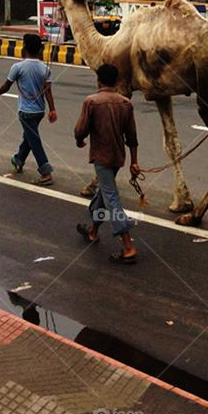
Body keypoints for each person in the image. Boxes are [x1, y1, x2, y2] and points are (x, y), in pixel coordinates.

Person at [74, 63, 140, 264]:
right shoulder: (126, 103)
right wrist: (134, 162)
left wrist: (79, 141)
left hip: (101, 158)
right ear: (116, 81)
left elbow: (80, 130)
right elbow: (132, 137)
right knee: (103, 193)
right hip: (118, 158)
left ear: (99, 81)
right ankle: (92, 230)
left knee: (111, 197)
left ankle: (128, 247)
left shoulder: (91, 102)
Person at [0, 33, 57, 186]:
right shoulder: (45, 68)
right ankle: (19, 159)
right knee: (30, 136)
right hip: (39, 112)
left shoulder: (18, 67)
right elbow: (48, 91)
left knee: (34, 140)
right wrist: (52, 110)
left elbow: (6, 86)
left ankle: (45, 171)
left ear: (24, 48)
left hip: (26, 112)